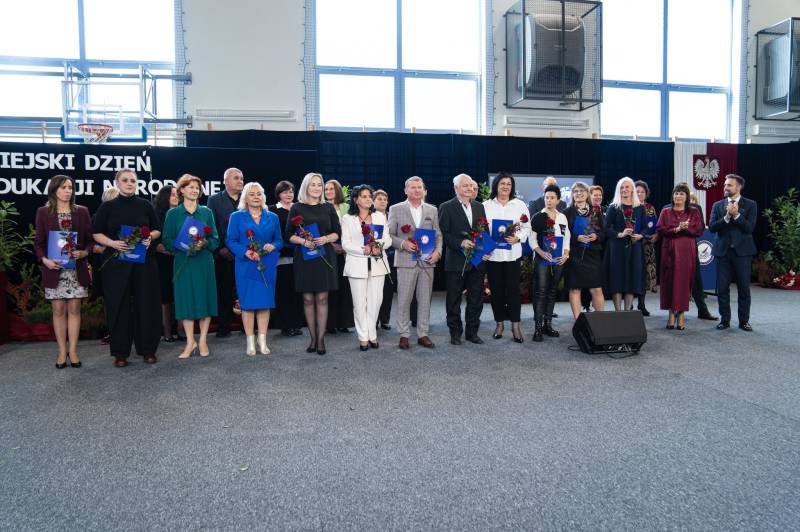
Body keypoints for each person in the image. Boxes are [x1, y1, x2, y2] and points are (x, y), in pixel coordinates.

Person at [92, 169, 162, 367]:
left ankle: (148, 350)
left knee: (146, 305)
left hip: (144, 264)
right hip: (116, 264)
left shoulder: (145, 205)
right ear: (117, 183)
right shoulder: (108, 207)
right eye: (125, 180)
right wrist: (112, 243)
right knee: (118, 306)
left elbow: (157, 229)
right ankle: (120, 353)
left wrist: (150, 238)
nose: (130, 183)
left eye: (133, 180)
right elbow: (96, 233)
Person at [34, 175, 93, 369]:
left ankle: (73, 351)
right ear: (54, 190)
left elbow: (90, 240)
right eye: (63, 187)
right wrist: (45, 260)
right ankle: (61, 351)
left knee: (74, 309)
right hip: (54, 269)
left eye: (70, 187)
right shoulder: (43, 212)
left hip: (76, 269)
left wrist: (84, 252)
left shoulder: (82, 211)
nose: (68, 191)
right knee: (58, 310)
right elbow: (39, 243)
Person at [162, 174, 219, 359]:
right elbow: (166, 239)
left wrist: (206, 243)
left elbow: (215, 239)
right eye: (190, 187)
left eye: (197, 187)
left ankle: (202, 340)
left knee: (204, 299)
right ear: (182, 190)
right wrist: (181, 245)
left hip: (204, 262)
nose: (195, 190)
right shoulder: (173, 214)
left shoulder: (207, 212)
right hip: (183, 262)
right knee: (185, 300)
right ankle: (189, 341)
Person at [286, 173, 341, 355]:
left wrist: (325, 239)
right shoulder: (296, 207)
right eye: (313, 185)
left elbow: (337, 233)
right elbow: (288, 235)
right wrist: (303, 241)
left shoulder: (328, 207)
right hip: (304, 258)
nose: (317, 188)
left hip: (325, 256)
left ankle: (321, 339)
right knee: (308, 299)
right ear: (306, 187)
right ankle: (312, 338)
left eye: (319, 185)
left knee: (322, 298)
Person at [227, 182, 283, 355]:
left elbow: (279, 240)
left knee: (265, 303)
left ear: (263, 197)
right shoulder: (236, 216)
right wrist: (245, 252)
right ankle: (250, 342)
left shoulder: (272, 217)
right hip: (246, 264)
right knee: (248, 304)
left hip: (267, 264)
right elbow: (230, 240)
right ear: (245, 197)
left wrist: (273, 246)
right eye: (252, 194)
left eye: (259, 194)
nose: (256, 197)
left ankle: (262, 341)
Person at [387, 176, 442, 349]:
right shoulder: (396, 209)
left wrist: (438, 252)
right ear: (406, 190)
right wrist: (403, 243)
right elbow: (389, 235)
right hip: (405, 261)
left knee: (425, 300)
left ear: (424, 191)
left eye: (419, 187)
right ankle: (404, 334)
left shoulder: (432, 210)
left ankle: (423, 334)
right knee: (404, 299)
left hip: (427, 261)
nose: (416, 190)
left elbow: (438, 235)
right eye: (413, 187)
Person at [439, 173, 490, 345]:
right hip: (455, 261)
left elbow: (484, 231)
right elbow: (443, 234)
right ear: (456, 188)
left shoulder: (479, 206)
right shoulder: (446, 207)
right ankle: (455, 333)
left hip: (477, 261)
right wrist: (460, 242)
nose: (469, 188)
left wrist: (487, 250)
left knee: (476, 299)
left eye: (471, 185)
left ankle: (472, 332)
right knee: (454, 299)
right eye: (465, 185)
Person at [341, 185, 392, 350]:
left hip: (377, 264)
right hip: (356, 265)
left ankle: (372, 334)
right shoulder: (347, 219)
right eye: (364, 196)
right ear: (356, 200)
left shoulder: (380, 217)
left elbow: (388, 239)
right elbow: (345, 243)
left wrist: (379, 246)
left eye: (370, 196)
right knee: (359, 303)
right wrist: (363, 250)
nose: (368, 199)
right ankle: (363, 336)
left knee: (375, 302)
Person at [483, 171, 530, 343]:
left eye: (509, 184)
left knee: (513, 292)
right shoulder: (486, 205)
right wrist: (485, 246)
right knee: (496, 292)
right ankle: (499, 324)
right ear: (496, 185)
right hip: (493, 256)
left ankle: (515, 326)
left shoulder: (520, 205)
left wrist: (518, 238)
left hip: (512, 256)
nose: (505, 186)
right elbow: (481, 229)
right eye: (502, 183)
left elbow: (527, 227)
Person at [709, 174, 758, 331]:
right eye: (725, 184)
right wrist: (726, 217)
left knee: (744, 288)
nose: (725, 187)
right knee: (722, 288)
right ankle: (725, 320)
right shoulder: (717, 205)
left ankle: (744, 321)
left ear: (738, 187)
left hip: (742, 253)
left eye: (729, 185)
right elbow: (712, 227)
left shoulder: (751, 205)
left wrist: (736, 215)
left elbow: (749, 228)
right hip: (722, 252)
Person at [656, 183, 704, 330]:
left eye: (681, 194)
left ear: (686, 197)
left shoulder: (694, 212)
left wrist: (686, 228)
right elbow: (660, 229)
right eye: (676, 193)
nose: (678, 196)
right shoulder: (665, 211)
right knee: (669, 281)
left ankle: (681, 314)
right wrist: (676, 229)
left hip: (686, 252)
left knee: (683, 282)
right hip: (669, 251)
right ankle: (671, 314)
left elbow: (699, 230)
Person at [530, 184, 570, 341]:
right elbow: (532, 240)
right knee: (541, 292)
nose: (549, 200)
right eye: (547, 197)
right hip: (542, 259)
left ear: (558, 200)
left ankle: (548, 325)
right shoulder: (538, 217)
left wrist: (566, 254)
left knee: (552, 291)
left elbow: (566, 237)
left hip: (558, 260)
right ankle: (538, 328)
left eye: (552, 198)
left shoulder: (562, 217)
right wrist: (541, 252)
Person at [207, 167, 244, 338]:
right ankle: (224, 326)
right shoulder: (214, 200)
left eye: (241, 178)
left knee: (244, 290)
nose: (240, 181)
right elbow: (211, 226)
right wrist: (220, 248)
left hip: (245, 254)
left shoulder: (247, 198)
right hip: (224, 254)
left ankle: (246, 325)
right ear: (226, 181)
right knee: (224, 291)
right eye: (236, 178)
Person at [604, 177, 646, 311]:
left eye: (627, 187)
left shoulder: (640, 207)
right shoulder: (614, 207)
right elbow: (606, 228)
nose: (624, 190)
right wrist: (620, 234)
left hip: (634, 247)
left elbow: (645, 227)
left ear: (632, 189)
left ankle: (627, 312)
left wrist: (641, 235)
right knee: (617, 279)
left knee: (631, 279)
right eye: (621, 187)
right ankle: (618, 313)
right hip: (617, 248)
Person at [564, 181, 605, 319]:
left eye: (582, 191)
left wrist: (596, 236)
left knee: (597, 289)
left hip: (592, 255)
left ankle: (600, 320)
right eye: (576, 191)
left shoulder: (596, 212)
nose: (579, 193)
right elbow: (563, 235)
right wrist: (576, 238)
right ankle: (577, 321)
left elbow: (603, 233)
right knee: (575, 289)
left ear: (587, 194)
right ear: (572, 195)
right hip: (575, 255)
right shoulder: (567, 212)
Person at [268, 181, 305, 337]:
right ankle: (285, 325)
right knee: (283, 291)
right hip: (280, 256)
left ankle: (296, 323)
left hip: (300, 255)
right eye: (285, 192)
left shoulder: (299, 208)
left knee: (297, 291)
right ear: (279, 194)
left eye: (291, 191)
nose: (289, 194)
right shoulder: (272, 210)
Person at [324, 178, 355, 333]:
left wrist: (345, 245)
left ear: (337, 190)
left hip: (346, 252)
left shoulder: (347, 207)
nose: (329, 191)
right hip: (328, 250)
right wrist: (332, 244)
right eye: (326, 189)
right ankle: (330, 324)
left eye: (332, 189)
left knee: (345, 287)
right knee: (331, 288)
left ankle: (344, 322)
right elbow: (320, 230)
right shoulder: (321, 207)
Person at [91, 186, 119, 344]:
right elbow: (90, 240)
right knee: (109, 299)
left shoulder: (128, 217)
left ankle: (126, 330)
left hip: (124, 262)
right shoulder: (97, 217)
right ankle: (112, 331)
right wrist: (99, 248)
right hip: (104, 263)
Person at [152, 185, 180, 343]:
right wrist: (157, 246)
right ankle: (167, 332)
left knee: (180, 295)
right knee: (165, 297)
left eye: (177, 194)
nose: (176, 197)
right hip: (162, 261)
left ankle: (181, 330)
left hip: (180, 259)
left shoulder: (182, 213)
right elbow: (150, 236)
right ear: (164, 197)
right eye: (172, 194)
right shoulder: (156, 214)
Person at [635, 180, 659, 316]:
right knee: (633, 274)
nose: (640, 194)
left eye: (642, 192)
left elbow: (656, 225)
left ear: (646, 193)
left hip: (648, 247)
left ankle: (641, 304)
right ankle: (629, 305)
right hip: (633, 245)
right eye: (637, 191)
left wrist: (656, 235)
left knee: (644, 275)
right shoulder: (629, 207)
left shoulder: (651, 207)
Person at [374, 189, 395, 330]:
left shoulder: (392, 216)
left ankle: (385, 319)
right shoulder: (370, 216)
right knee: (376, 291)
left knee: (388, 290)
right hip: (375, 257)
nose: (382, 201)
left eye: (385, 199)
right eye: (379, 199)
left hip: (392, 257)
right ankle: (374, 320)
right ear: (373, 201)